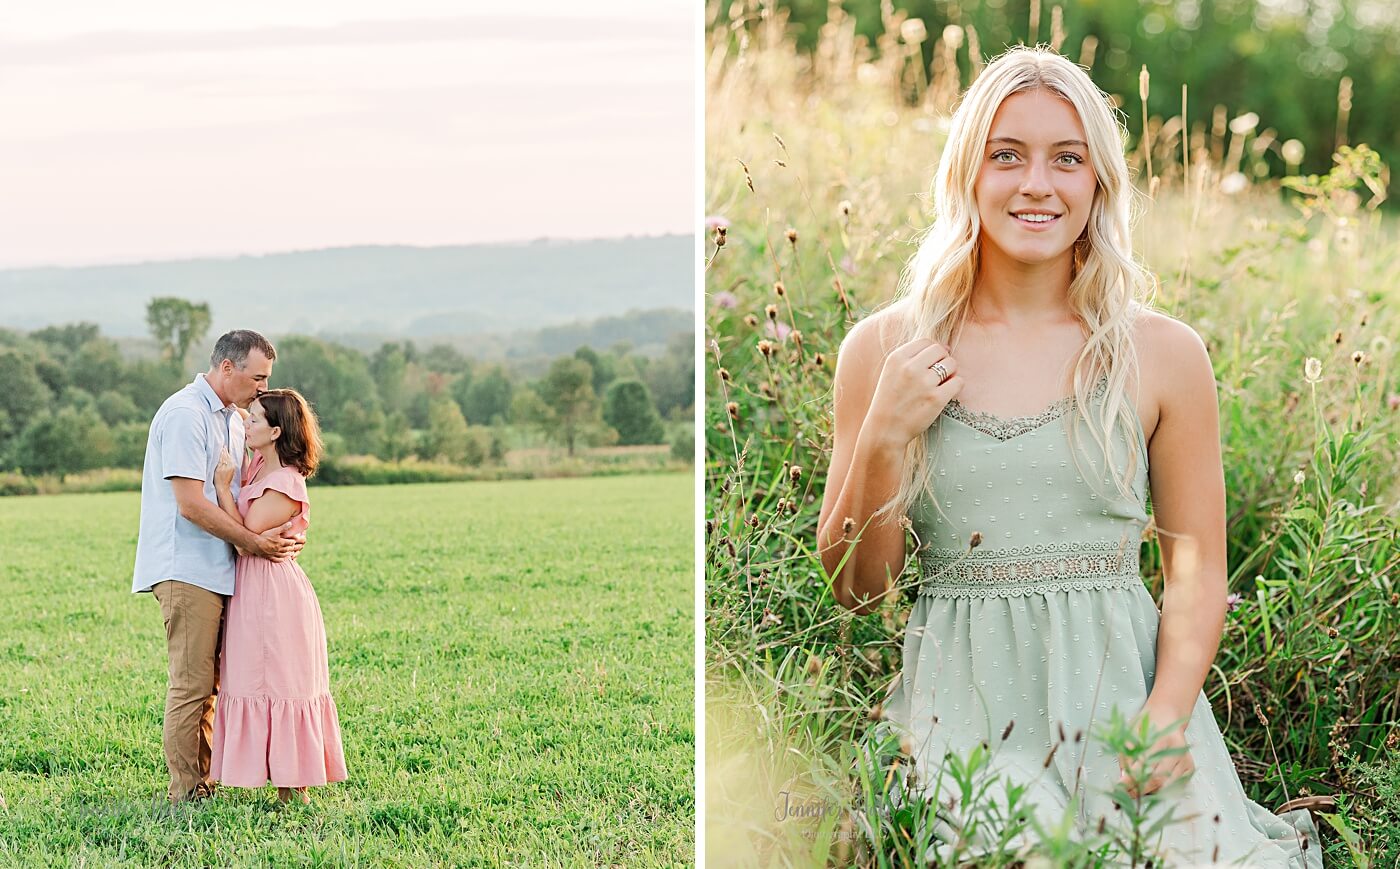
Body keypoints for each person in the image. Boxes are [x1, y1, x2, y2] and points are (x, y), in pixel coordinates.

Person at [816, 46, 1320, 866]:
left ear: (1099, 183)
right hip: (960, 728)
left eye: (1068, 159)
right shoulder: (884, 349)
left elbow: (1199, 571)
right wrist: (882, 433)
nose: (1036, 184)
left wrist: (1163, 721)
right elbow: (857, 589)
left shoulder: (1163, 354)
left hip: (1126, 711)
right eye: (1006, 154)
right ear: (966, 173)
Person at [132, 329, 304, 805]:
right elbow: (190, 504)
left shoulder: (231, 419)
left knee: (212, 682)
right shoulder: (186, 414)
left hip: (220, 567)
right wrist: (254, 543)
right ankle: (187, 793)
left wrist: (279, 529)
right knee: (191, 684)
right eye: (258, 378)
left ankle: (206, 780)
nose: (264, 389)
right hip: (186, 566)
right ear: (227, 368)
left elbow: (246, 494)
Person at [209, 388, 346, 804]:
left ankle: (294, 789)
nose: (246, 424)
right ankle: (275, 779)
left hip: (273, 593)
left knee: (282, 680)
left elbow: (244, 538)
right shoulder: (255, 472)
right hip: (253, 589)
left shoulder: (285, 481)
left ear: (275, 431)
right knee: (253, 678)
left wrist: (220, 488)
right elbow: (250, 536)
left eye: (253, 419)